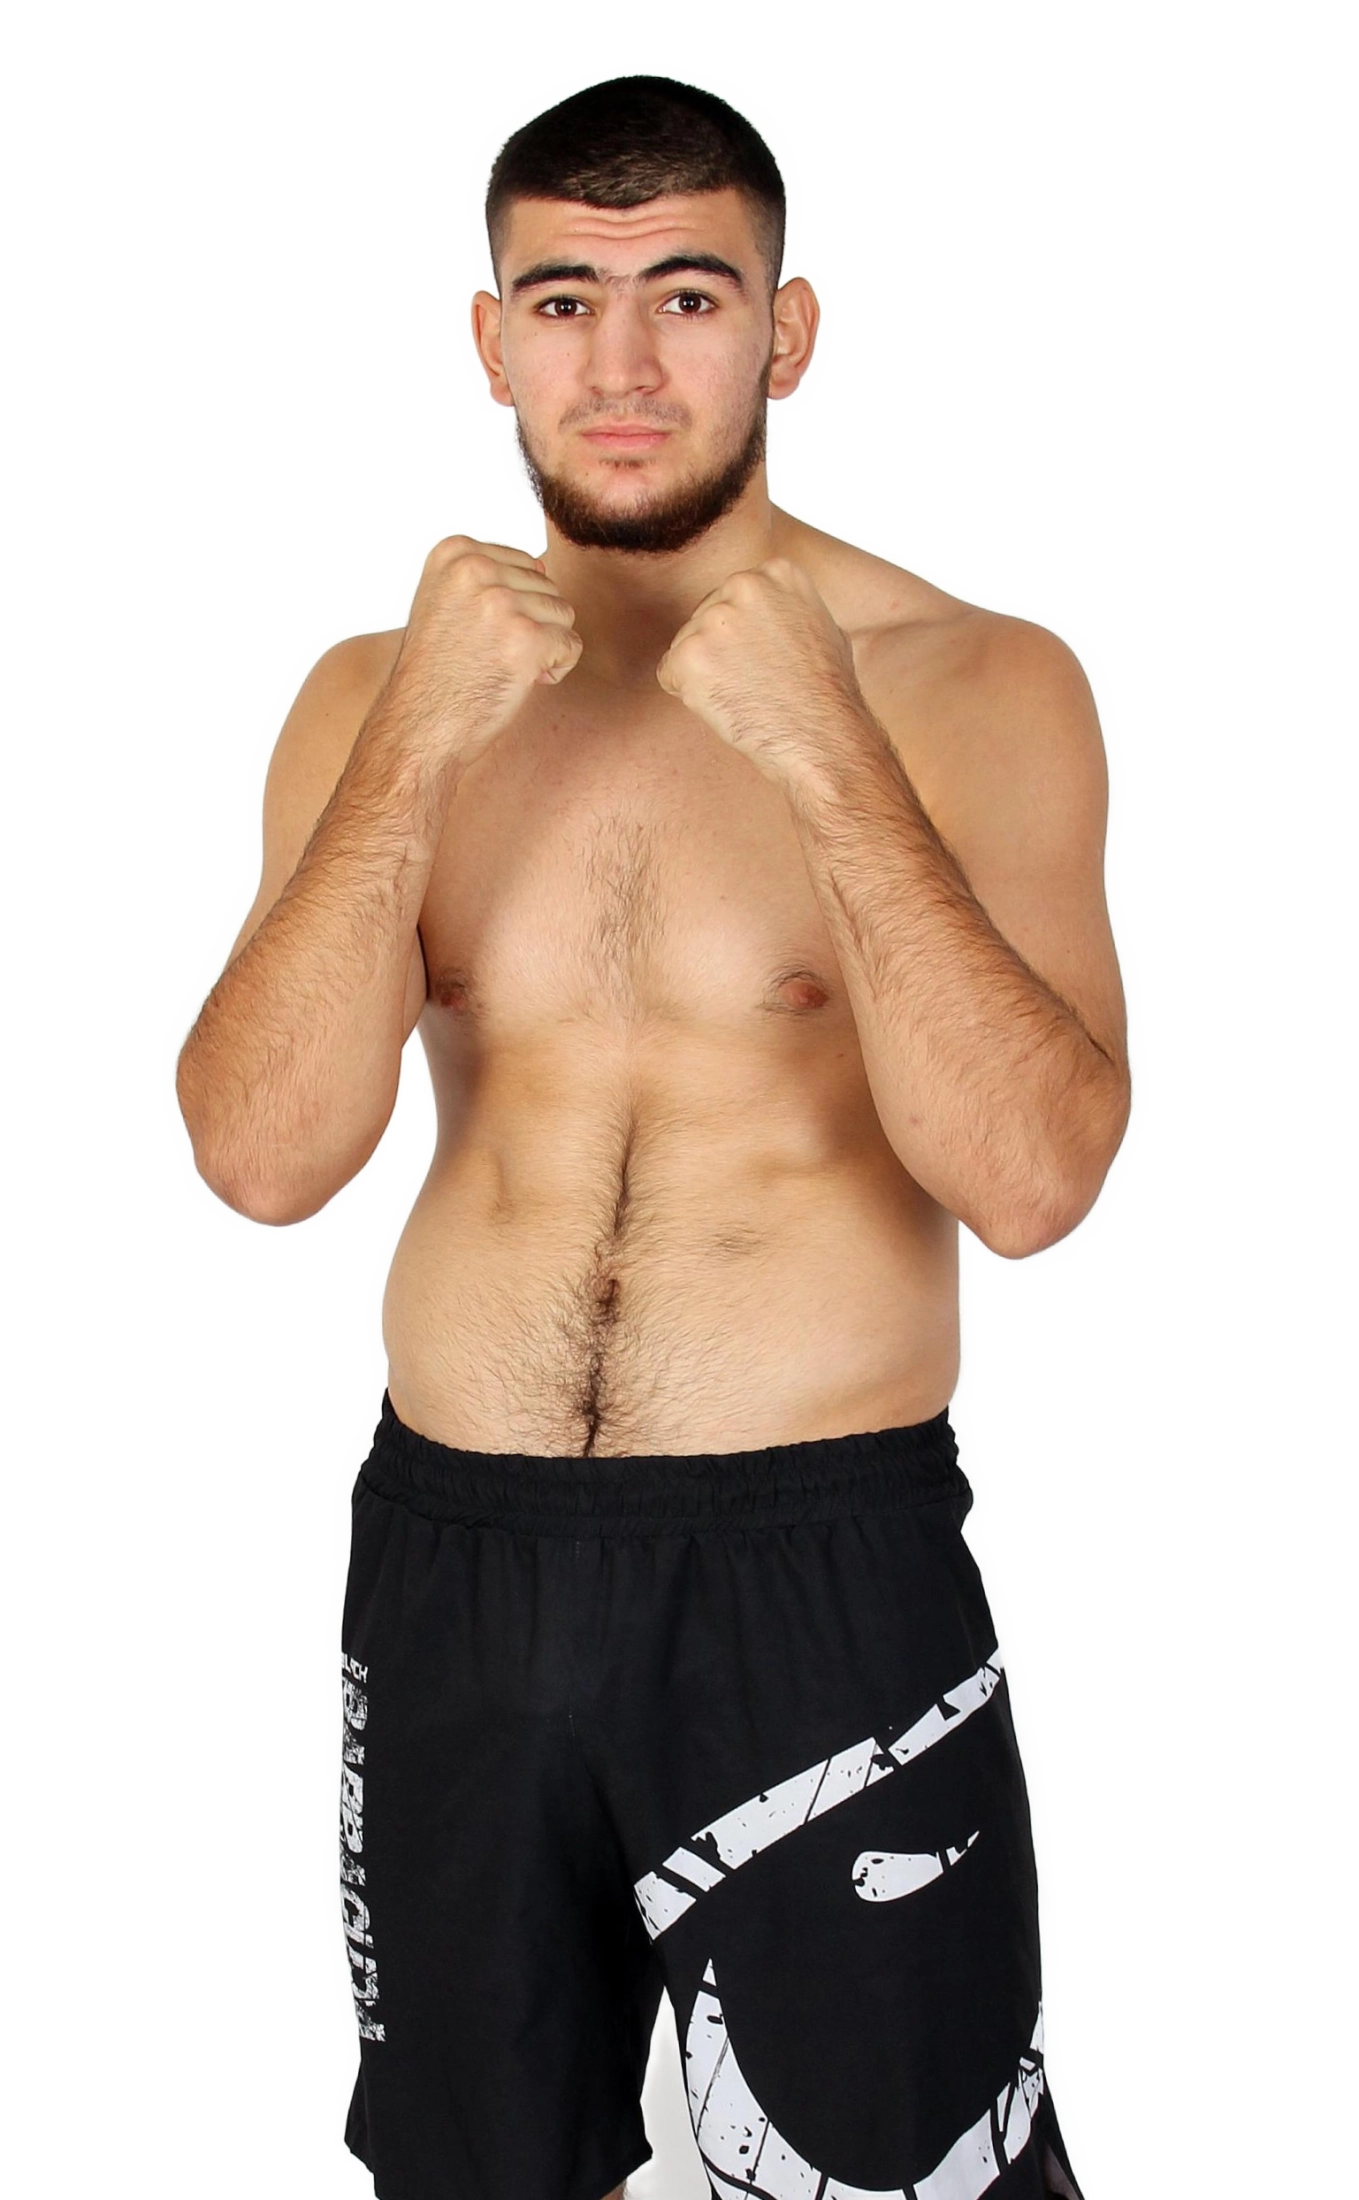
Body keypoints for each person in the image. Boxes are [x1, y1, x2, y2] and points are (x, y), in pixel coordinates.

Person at [176, 72, 1126, 2200]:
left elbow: (1034, 1177)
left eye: (686, 296)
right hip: (454, 1568)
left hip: (816, 1572)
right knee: (475, 2170)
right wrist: (415, 745)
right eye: (563, 300)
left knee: (903, 2168)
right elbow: (259, 1153)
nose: (621, 362)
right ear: (490, 337)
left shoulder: (970, 683)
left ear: (785, 331)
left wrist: (827, 751)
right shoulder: (376, 697)